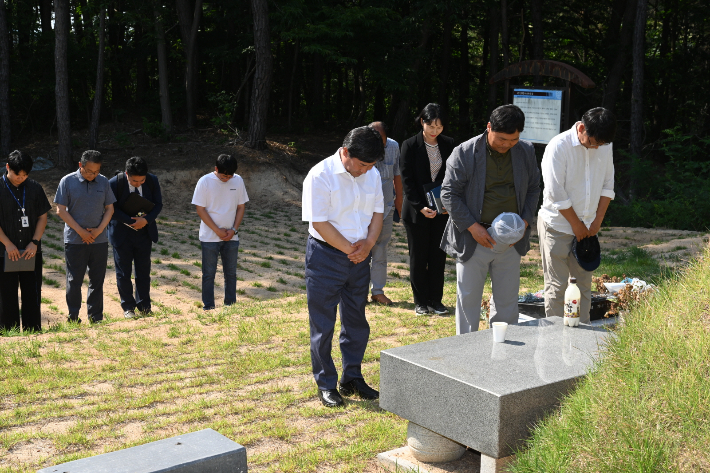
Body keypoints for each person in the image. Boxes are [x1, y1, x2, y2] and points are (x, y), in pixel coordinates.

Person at [302, 126, 384, 407]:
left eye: (371, 166)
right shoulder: (320, 175)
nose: (366, 171)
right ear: (346, 152)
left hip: (360, 258)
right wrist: (352, 250)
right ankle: (326, 383)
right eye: (362, 164)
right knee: (323, 323)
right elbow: (319, 222)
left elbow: (377, 212)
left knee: (356, 319)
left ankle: (353, 377)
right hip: (326, 256)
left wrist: (369, 244)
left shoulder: (372, 173)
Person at [440, 105, 541, 334]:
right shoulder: (465, 152)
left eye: (513, 139)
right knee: (468, 301)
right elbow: (448, 194)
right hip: (474, 237)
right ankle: (466, 351)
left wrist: (524, 222)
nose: (507, 145)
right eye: (502, 139)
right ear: (488, 128)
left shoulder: (525, 151)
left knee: (507, 301)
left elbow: (534, 188)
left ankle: (502, 348)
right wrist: (473, 227)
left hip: (511, 240)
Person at [537, 107, 617, 324]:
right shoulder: (558, 146)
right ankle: (553, 342)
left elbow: (608, 186)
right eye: (593, 142)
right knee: (557, 286)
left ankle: (582, 340)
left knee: (583, 285)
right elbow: (556, 193)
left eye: (601, 144)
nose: (597, 147)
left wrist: (596, 223)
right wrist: (577, 225)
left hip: (589, 228)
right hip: (557, 226)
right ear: (581, 128)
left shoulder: (604, 145)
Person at [399, 103, 455, 315]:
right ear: (422, 121)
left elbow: (453, 175)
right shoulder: (410, 145)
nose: (435, 130)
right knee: (419, 256)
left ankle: (436, 300)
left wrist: (447, 204)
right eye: (431, 125)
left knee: (438, 256)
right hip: (416, 211)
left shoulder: (449, 144)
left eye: (439, 127)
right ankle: (420, 301)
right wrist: (420, 206)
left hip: (441, 210)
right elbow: (407, 180)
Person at [54, 150, 116, 324]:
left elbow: (110, 208)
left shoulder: (103, 181)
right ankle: (73, 316)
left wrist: (97, 231)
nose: (93, 175)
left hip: (99, 240)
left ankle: (95, 316)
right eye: (89, 171)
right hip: (75, 240)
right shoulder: (67, 181)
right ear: (80, 166)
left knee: (97, 279)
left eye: (96, 171)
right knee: (74, 280)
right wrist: (81, 231)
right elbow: (60, 210)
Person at [0, 151, 52, 332]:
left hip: (31, 251)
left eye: (25, 175)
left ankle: (33, 330)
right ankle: (9, 332)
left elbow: (42, 217)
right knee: (6, 294)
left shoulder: (35, 188)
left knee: (32, 293)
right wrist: (7, 244)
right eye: (17, 175)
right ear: (8, 167)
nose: (21, 179)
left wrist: (35, 242)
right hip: (5, 251)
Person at [191, 154, 248, 311]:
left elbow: (241, 206)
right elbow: (200, 209)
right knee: (208, 274)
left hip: (232, 236)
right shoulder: (204, 182)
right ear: (216, 169)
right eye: (224, 176)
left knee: (231, 274)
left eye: (230, 176)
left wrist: (234, 230)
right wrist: (217, 230)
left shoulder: (238, 180)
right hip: (209, 237)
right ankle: (208, 306)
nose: (227, 179)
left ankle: (230, 305)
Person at [108, 157, 163, 319]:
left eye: (141, 180)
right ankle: (128, 307)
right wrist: (132, 222)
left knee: (143, 271)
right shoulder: (114, 183)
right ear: (126, 174)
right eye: (134, 181)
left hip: (144, 233)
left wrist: (145, 220)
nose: (138, 183)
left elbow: (158, 204)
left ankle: (145, 305)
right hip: (121, 235)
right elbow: (112, 208)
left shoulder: (152, 181)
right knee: (123, 273)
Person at [368, 121, 403, 306]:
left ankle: (378, 291)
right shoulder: (360, 145)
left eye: (381, 143)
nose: (378, 148)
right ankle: (357, 292)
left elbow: (397, 174)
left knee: (380, 248)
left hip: (387, 207)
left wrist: (399, 201)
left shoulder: (394, 146)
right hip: (363, 211)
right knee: (361, 250)